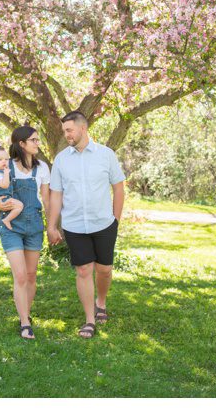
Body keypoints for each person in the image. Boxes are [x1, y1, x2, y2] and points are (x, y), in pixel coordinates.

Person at [47, 111, 126, 339]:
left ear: (83, 128)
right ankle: (89, 319)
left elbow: (118, 188)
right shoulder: (62, 159)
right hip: (74, 225)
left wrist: (115, 220)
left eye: (69, 130)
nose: (66, 134)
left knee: (104, 270)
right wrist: (52, 226)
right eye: (64, 131)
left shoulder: (106, 155)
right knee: (83, 270)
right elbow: (56, 194)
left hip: (103, 223)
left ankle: (101, 301)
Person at [0, 126, 51, 340]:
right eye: (34, 140)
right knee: (20, 275)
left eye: (38, 139)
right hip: (11, 226)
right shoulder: (6, 165)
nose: (37, 143)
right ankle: (24, 323)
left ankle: (26, 314)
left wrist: (51, 226)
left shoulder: (42, 168)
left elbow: (47, 199)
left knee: (31, 275)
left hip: (34, 226)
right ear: (22, 144)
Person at [0, 145, 23, 232]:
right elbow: (5, 185)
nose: (4, 161)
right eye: (0, 159)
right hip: (1, 199)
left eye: (6, 159)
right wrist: (6, 173)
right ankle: (7, 220)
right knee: (19, 206)